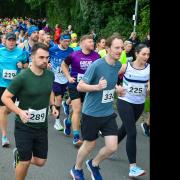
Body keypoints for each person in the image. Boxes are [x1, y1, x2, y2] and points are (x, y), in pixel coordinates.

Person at [69, 33, 125, 180]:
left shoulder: (118, 65)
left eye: (121, 48)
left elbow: (110, 86)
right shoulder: (97, 65)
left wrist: (117, 90)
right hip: (91, 113)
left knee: (112, 147)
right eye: (116, 47)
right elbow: (80, 87)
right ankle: (77, 168)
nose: (120, 51)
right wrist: (97, 87)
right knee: (89, 145)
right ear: (107, 48)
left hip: (107, 112)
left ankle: (93, 164)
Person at [1, 42, 58, 180]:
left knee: (40, 162)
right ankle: (22, 160)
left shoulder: (50, 75)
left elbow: (49, 90)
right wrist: (19, 111)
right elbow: (5, 97)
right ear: (32, 57)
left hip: (41, 126)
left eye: (47, 58)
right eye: (41, 57)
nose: (45, 60)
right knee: (25, 162)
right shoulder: (22, 77)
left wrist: (53, 106)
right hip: (24, 126)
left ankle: (19, 155)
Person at [117, 43, 150, 178]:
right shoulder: (126, 67)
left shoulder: (149, 68)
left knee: (125, 128)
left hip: (139, 104)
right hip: (125, 102)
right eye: (143, 54)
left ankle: (111, 147)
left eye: (148, 54)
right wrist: (116, 87)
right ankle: (133, 167)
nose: (146, 57)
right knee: (132, 132)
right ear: (136, 53)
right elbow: (109, 75)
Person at [61, 34, 100, 146]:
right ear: (82, 43)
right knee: (77, 109)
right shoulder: (74, 55)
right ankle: (76, 136)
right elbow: (64, 64)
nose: (92, 43)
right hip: (75, 85)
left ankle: (68, 121)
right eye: (89, 41)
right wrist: (68, 77)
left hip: (88, 87)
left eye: (93, 41)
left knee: (78, 110)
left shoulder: (96, 56)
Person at [0, 32, 27, 147]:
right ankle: (4, 136)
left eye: (13, 40)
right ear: (4, 41)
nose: (11, 42)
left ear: (15, 41)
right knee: (2, 110)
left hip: (16, 86)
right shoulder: (0, 52)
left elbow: (27, 65)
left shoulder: (21, 52)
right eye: (9, 40)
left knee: (9, 110)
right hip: (2, 85)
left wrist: (23, 65)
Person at [49, 32, 74, 131]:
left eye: (69, 41)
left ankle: (59, 106)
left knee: (65, 97)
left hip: (66, 78)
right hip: (55, 77)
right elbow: (47, 58)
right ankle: (57, 121)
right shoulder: (52, 49)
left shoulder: (71, 50)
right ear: (60, 40)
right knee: (59, 98)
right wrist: (48, 63)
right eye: (65, 41)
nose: (67, 43)